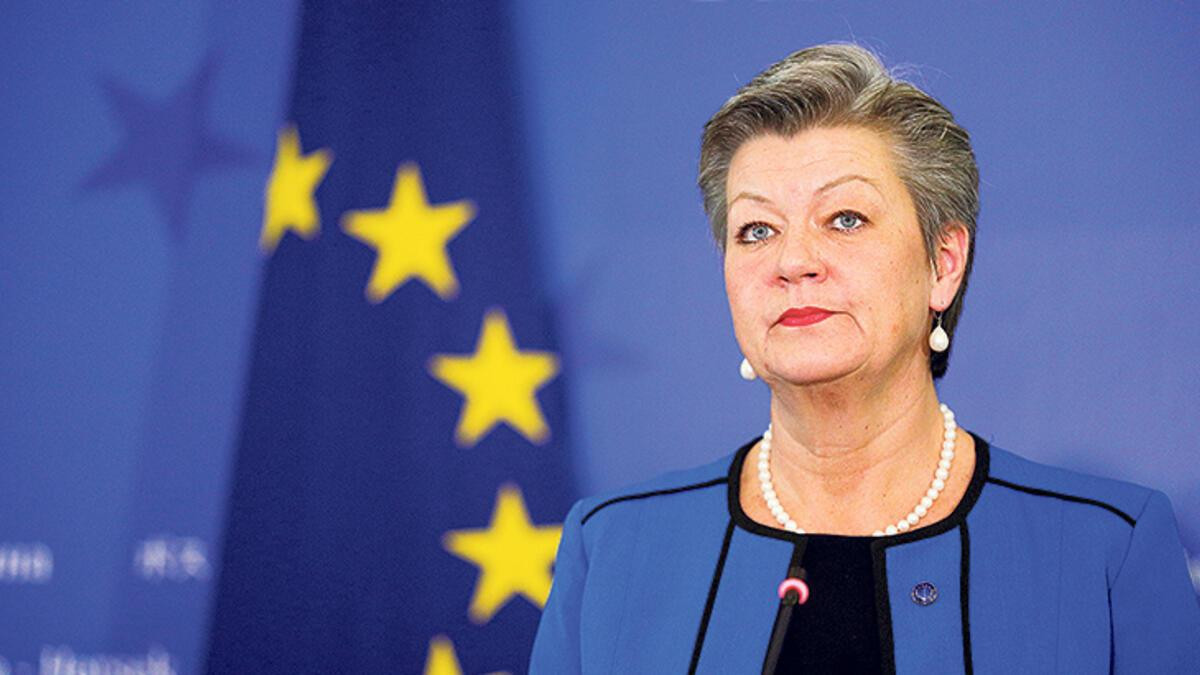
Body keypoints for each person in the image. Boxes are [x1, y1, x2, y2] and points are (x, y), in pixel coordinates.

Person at [528, 43, 1200, 673]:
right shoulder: (613, 548)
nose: (793, 261)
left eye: (845, 219)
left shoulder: (1106, 549)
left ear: (943, 263)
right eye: (756, 230)